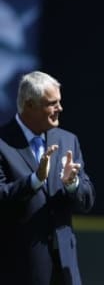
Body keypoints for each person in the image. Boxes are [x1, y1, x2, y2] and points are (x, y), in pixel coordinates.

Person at [0, 71, 95, 285]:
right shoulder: (2, 144)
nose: (59, 108)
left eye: (59, 102)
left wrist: (73, 184)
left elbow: (87, 200)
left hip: (65, 270)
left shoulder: (68, 141)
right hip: (19, 270)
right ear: (29, 105)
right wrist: (34, 180)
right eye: (52, 103)